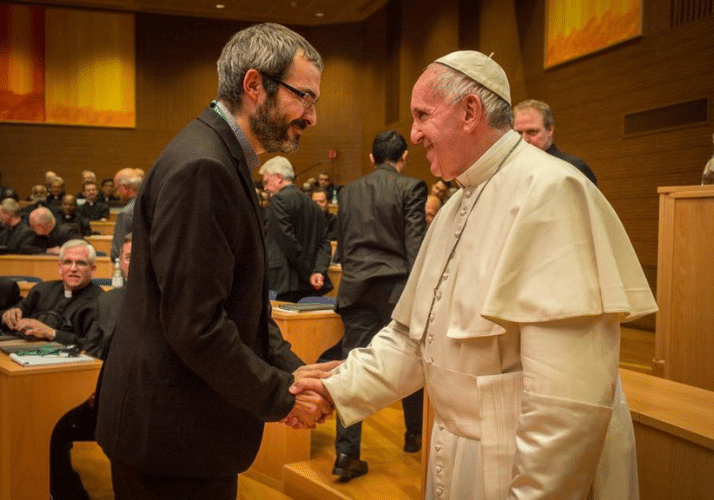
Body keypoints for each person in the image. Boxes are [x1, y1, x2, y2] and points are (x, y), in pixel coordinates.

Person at [289, 51, 658, 500]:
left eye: (423, 115)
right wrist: (338, 388)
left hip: (522, 463)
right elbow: (412, 338)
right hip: (461, 452)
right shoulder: (457, 203)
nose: (414, 133)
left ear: (469, 112)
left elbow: (567, 404)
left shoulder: (551, 192)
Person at [95, 23, 337, 500]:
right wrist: (280, 394)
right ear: (254, 85)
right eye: (303, 98)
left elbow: (238, 302)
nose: (311, 116)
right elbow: (197, 324)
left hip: (179, 431)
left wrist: (289, 371)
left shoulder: (218, 156)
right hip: (170, 439)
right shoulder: (205, 166)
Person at [331, 130, 428, 480]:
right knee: (409, 363)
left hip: (356, 288)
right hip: (396, 289)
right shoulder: (412, 187)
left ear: (372, 158)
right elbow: (416, 246)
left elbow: (343, 242)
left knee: (351, 366)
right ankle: (414, 435)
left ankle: (345, 453)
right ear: (403, 157)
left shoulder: (348, 191)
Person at [49, 234, 132, 500]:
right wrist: (93, 386)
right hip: (101, 396)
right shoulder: (108, 301)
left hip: (143, 401)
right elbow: (94, 350)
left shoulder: (172, 300)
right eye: (130, 257)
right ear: (121, 263)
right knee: (51, 417)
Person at [0, 239, 103, 346]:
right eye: (67, 262)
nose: (73, 268)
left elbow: (93, 345)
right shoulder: (41, 290)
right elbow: (18, 311)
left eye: (81, 263)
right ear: (60, 268)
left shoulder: (101, 302)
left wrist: (52, 333)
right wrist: (9, 315)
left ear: (92, 269)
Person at [262, 155, 333, 302]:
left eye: (267, 182)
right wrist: (318, 270)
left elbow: (287, 241)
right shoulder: (314, 205)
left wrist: (308, 273)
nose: (265, 188)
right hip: (310, 285)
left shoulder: (278, 200)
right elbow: (324, 243)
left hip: (284, 282)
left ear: (279, 177)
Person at [513, 99, 598, 186]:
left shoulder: (573, 168)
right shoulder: (513, 171)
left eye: (532, 132)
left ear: (549, 130)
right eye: (519, 133)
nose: (524, 139)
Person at [110, 168, 142, 260]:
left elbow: (117, 252)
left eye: (117, 188)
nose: (116, 194)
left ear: (125, 188)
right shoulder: (155, 205)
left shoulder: (126, 213)